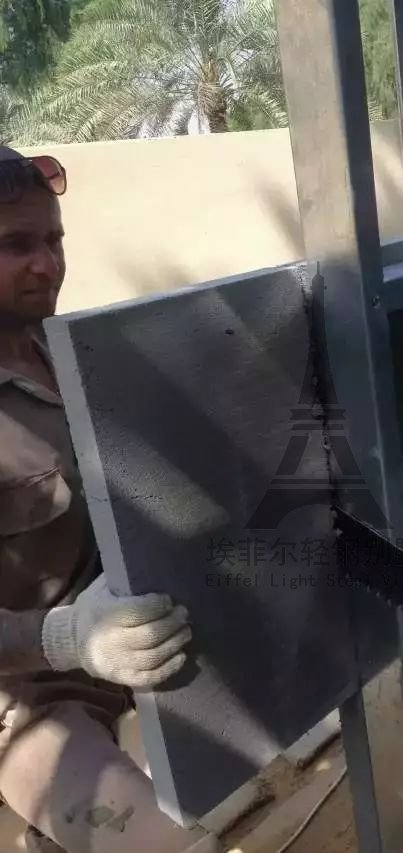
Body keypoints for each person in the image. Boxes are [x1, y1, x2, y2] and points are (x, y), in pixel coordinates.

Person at [0, 146, 214, 853]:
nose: (48, 264)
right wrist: (66, 638)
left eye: (54, 240)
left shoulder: (63, 349)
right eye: (16, 245)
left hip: (123, 643)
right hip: (25, 695)